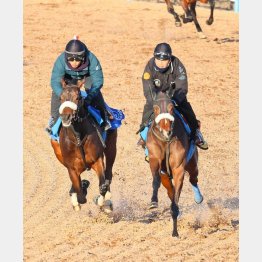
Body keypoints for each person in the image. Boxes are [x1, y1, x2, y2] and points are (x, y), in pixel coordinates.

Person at [137, 42, 208, 150]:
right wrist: (155, 101)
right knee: (147, 111)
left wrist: (174, 100)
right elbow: (148, 88)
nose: (161, 63)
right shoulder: (149, 66)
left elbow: (182, 87)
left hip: (175, 97)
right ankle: (143, 136)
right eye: (158, 59)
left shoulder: (178, 65)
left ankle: (196, 133)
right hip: (156, 98)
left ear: (169, 59)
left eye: (164, 60)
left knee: (187, 110)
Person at [46, 35, 111, 134]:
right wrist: (62, 95)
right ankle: (53, 119)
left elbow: (98, 81)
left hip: (87, 77)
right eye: (71, 60)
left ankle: (104, 117)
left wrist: (89, 98)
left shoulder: (92, 59)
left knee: (93, 89)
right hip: (68, 78)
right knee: (56, 92)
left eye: (77, 60)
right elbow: (55, 81)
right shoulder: (60, 60)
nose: (74, 63)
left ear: (83, 57)